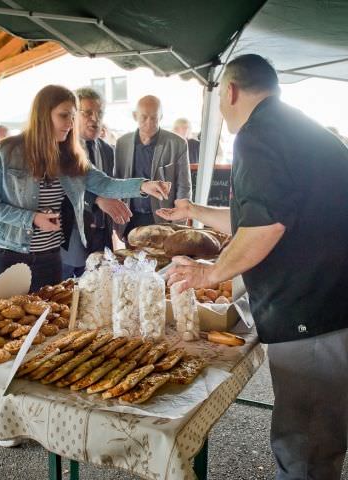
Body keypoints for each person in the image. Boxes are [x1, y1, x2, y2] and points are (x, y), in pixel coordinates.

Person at [159, 54, 348, 480]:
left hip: (313, 311)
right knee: (312, 438)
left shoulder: (257, 135)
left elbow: (266, 226)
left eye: (221, 99)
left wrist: (208, 274)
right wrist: (194, 210)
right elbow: (258, 218)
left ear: (229, 91)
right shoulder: (292, 127)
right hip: (329, 302)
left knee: (306, 444)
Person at [0, 84, 170, 291]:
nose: (71, 124)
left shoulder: (71, 155)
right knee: (4, 322)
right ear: (43, 115)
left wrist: (144, 185)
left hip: (50, 259)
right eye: (64, 116)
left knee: (49, 321)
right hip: (9, 258)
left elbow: (105, 184)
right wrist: (32, 218)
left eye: (72, 116)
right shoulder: (6, 151)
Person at [61, 87, 132, 278]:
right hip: (73, 239)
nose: (95, 118)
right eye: (88, 113)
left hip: (103, 235)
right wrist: (97, 199)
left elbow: (109, 185)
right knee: (70, 296)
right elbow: (63, 191)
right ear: (74, 116)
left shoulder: (108, 150)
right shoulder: (62, 149)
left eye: (99, 113)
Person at [114, 95, 191, 239]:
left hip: (163, 219)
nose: (149, 123)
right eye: (144, 117)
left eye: (154, 118)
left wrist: (179, 223)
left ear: (161, 116)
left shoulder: (177, 144)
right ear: (135, 116)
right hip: (131, 217)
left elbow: (184, 187)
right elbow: (116, 180)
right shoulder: (122, 143)